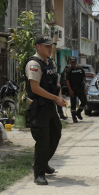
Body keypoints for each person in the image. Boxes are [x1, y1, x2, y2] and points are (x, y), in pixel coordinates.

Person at [24, 34, 67, 185]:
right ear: (38, 47)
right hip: (38, 107)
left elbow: (56, 83)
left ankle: (42, 163)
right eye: (47, 45)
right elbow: (35, 88)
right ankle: (39, 174)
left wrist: (59, 97)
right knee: (42, 139)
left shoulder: (50, 62)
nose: (50, 48)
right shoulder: (33, 64)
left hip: (49, 106)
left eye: (51, 45)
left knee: (56, 132)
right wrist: (55, 98)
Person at [65, 56, 87, 123]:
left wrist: (85, 87)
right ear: (70, 62)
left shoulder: (80, 68)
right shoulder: (68, 70)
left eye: (74, 62)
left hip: (80, 88)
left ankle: (78, 112)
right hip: (73, 89)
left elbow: (84, 78)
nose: (73, 63)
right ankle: (74, 118)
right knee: (73, 105)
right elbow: (67, 81)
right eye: (72, 62)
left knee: (84, 102)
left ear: (76, 62)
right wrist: (70, 90)